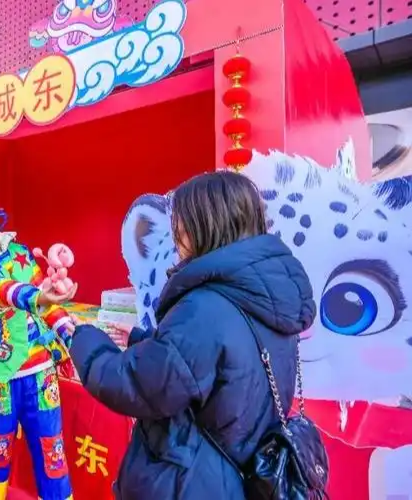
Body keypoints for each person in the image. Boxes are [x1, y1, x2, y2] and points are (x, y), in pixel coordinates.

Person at [68, 171, 316, 499]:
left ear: (206, 224)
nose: (176, 237)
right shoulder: (266, 292)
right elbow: (215, 364)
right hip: (245, 471)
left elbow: (134, 384)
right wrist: (143, 340)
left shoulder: (204, 307)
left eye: (181, 225)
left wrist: (82, 338)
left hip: (192, 482)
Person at [0, 191, 77, 500]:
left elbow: (48, 306)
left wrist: (74, 338)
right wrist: (37, 296)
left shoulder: (22, 254)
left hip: (41, 374)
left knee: (52, 452)